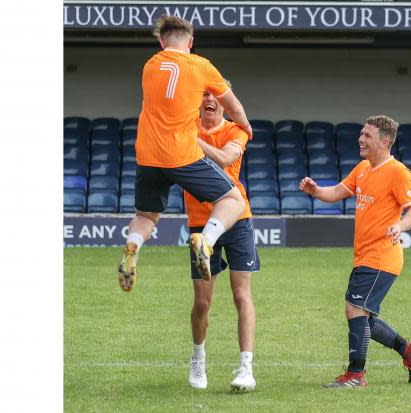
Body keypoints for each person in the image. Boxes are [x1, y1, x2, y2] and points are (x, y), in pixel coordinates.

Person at [117, 15, 254, 291]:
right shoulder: (201, 65)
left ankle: (133, 244)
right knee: (233, 199)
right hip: (181, 152)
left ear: (160, 41)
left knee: (146, 216)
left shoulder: (150, 65)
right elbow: (234, 106)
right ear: (191, 41)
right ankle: (207, 239)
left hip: (147, 154)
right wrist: (247, 127)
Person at [299, 115, 411, 388]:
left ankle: (356, 375)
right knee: (364, 314)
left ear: (385, 141)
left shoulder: (398, 172)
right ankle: (408, 350)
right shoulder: (363, 168)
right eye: (361, 134)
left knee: (355, 309)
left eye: (367, 136)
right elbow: (335, 193)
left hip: (382, 256)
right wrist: (316, 190)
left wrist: (400, 226)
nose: (361, 139)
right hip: (366, 256)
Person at [184, 86, 259, 392]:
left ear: (227, 105)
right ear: (197, 102)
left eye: (217, 97)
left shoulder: (237, 131)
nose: (211, 100)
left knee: (242, 296)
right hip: (200, 223)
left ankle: (246, 368)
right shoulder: (185, 127)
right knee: (202, 302)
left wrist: (192, 141)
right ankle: (198, 359)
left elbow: (226, 158)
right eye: (204, 96)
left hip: (237, 219)